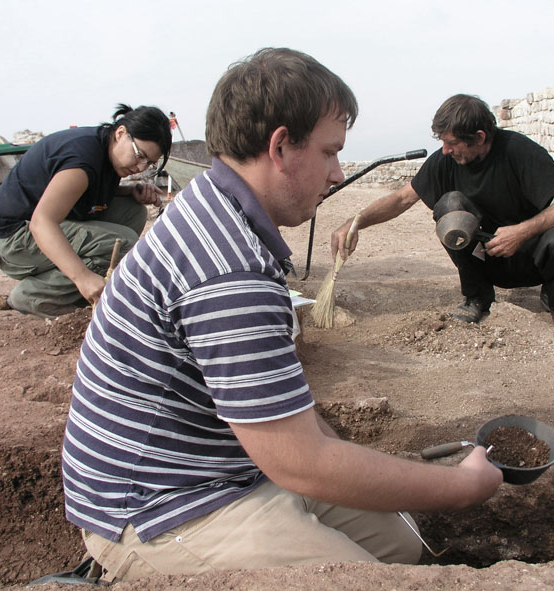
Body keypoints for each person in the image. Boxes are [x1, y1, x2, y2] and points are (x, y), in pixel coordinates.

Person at [61, 48, 501, 582]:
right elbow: (299, 462)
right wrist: (462, 487)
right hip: (158, 506)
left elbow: (287, 417)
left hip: (226, 467)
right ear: (280, 147)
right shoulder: (229, 270)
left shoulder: (218, 208)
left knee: (403, 549)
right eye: (330, 152)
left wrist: (339, 458)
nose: (338, 175)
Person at [331, 94, 554, 331]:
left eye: (452, 143)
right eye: (444, 142)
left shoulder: (518, 151)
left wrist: (522, 231)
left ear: (479, 137)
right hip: (483, 258)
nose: (446, 150)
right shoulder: (446, 160)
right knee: (449, 205)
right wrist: (356, 222)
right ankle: (477, 295)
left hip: (531, 258)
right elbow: (402, 199)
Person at [0, 104, 172, 318]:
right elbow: (42, 222)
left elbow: (81, 192)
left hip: (39, 226)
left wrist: (129, 191)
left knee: (133, 212)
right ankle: (32, 296)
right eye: (140, 155)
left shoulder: (105, 148)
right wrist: (82, 276)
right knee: (121, 242)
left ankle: (68, 288)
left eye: (149, 163)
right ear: (121, 133)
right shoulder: (82, 160)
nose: (140, 167)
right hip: (14, 240)